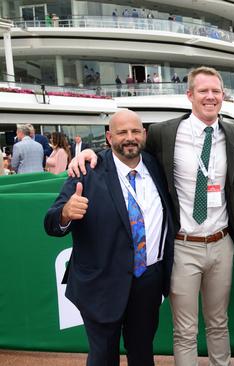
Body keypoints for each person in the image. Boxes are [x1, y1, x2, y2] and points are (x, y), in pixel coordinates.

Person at [69, 66, 234, 366]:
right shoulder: (166, 132)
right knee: (185, 329)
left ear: (223, 96)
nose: (210, 96)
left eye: (216, 91)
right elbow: (126, 148)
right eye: (203, 91)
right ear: (189, 95)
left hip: (221, 241)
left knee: (219, 323)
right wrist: (90, 153)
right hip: (183, 245)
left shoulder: (232, 132)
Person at [44, 110, 175, 366]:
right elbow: (50, 222)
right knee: (103, 357)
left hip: (147, 281)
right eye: (122, 132)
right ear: (108, 137)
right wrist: (65, 214)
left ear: (144, 134)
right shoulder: (88, 169)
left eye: (135, 131)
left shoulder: (156, 166)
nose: (129, 138)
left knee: (142, 353)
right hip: (101, 283)